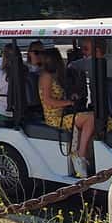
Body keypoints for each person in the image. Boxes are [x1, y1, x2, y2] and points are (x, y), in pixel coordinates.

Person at [38, 47, 95, 178]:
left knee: (95, 117)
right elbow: (48, 101)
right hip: (55, 117)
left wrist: (71, 97)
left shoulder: (55, 76)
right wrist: (68, 103)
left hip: (64, 114)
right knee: (90, 118)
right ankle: (80, 155)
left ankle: (86, 155)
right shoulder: (46, 76)